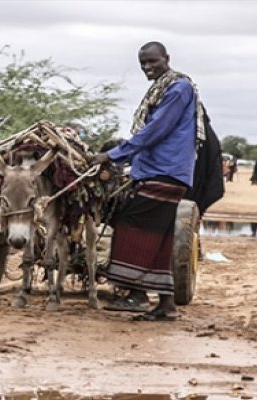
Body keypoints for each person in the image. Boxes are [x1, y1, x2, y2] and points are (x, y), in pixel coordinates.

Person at [90, 41, 205, 321]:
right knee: (161, 239)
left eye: (153, 61)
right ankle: (166, 305)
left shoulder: (178, 88)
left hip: (165, 171)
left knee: (131, 225)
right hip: (159, 169)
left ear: (167, 58)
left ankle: (136, 294)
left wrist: (113, 155)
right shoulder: (162, 88)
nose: (147, 68)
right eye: (143, 63)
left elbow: (156, 130)